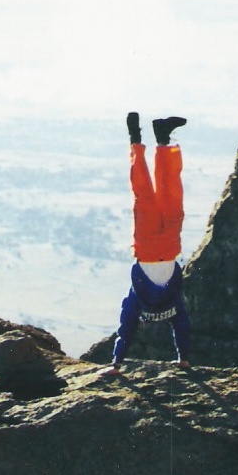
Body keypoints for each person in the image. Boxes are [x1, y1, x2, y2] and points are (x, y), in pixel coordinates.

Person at [100, 112, 192, 375]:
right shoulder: (155, 304)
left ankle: (141, 139)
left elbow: (126, 330)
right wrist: (183, 360)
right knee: (162, 191)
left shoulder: (152, 304)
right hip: (160, 247)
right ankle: (161, 137)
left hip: (157, 248)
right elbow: (180, 327)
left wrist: (116, 365)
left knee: (156, 192)